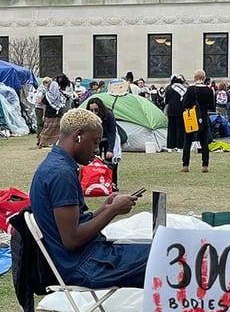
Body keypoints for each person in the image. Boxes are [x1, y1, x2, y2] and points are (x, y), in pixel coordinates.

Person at [29, 108, 148, 289]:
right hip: (84, 265)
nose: (96, 150)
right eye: (94, 142)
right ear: (78, 136)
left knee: (162, 252)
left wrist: (105, 206)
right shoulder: (61, 174)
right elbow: (72, 239)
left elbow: (74, 224)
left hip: (86, 258)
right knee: (168, 257)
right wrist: (113, 211)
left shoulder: (56, 165)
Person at [181, 69, 215, 173]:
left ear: (195, 78)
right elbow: (212, 106)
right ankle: (205, 165)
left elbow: (184, 104)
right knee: (204, 142)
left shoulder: (190, 89)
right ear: (204, 78)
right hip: (203, 117)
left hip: (191, 118)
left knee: (187, 142)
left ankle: (185, 165)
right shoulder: (209, 90)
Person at [87, 97, 120, 191]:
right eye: (91, 110)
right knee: (94, 161)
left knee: (110, 160)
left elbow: (111, 133)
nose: (94, 112)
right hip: (95, 140)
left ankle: (113, 183)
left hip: (107, 138)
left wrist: (110, 149)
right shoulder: (88, 117)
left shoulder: (109, 115)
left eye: (96, 110)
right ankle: (95, 182)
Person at [38, 74, 70, 148]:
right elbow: (44, 106)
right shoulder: (47, 95)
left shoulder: (59, 96)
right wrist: (43, 115)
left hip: (56, 115)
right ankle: (42, 142)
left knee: (57, 130)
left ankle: (54, 143)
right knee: (47, 129)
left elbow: (65, 102)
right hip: (49, 115)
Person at [164, 75, 187, 152]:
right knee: (180, 129)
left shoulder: (169, 89)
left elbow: (166, 101)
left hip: (171, 111)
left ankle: (170, 146)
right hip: (180, 111)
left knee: (171, 129)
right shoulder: (183, 89)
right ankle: (180, 146)